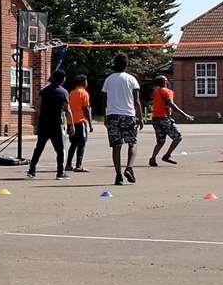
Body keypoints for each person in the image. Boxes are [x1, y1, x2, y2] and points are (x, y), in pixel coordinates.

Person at [101, 53, 140, 186]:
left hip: (112, 115)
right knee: (132, 143)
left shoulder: (108, 79)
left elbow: (104, 100)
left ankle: (118, 175)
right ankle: (129, 167)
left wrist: (105, 116)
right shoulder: (131, 79)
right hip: (128, 115)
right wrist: (140, 117)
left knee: (116, 146)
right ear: (126, 64)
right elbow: (137, 100)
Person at [27, 70, 71, 179]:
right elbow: (67, 109)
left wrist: (37, 122)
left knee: (39, 147)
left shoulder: (44, 91)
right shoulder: (63, 92)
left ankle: (32, 170)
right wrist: (72, 124)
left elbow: (38, 106)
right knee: (60, 149)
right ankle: (60, 172)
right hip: (56, 123)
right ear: (62, 79)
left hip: (44, 122)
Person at [146, 74, 193, 167]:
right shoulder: (167, 91)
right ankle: (167, 156)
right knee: (177, 137)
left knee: (160, 141)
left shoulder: (156, 91)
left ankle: (153, 158)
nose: (167, 81)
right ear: (164, 82)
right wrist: (184, 114)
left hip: (155, 119)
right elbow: (171, 104)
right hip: (164, 118)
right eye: (166, 80)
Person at [66, 74, 92, 173]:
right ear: (83, 82)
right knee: (82, 144)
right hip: (81, 122)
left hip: (72, 122)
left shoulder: (71, 93)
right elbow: (86, 109)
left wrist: (69, 124)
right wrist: (90, 123)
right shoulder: (84, 93)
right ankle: (78, 165)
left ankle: (68, 164)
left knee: (73, 144)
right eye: (86, 81)